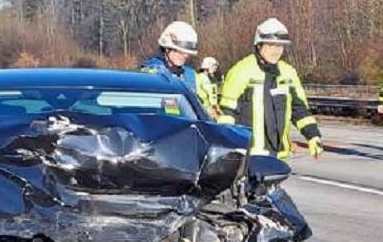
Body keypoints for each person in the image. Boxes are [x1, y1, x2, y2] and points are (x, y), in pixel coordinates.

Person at [217, 18, 324, 161]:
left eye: (280, 46)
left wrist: (313, 136)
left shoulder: (288, 73)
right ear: (259, 45)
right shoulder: (241, 72)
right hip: (248, 158)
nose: (276, 51)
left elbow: (300, 110)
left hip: (279, 158)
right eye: (271, 45)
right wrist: (229, 146)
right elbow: (226, 112)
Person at [139, 21, 200, 95]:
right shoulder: (151, 72)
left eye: (187, 53)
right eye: (180, 51)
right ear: (167, 48)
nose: (185, 56)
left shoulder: (189, 74)